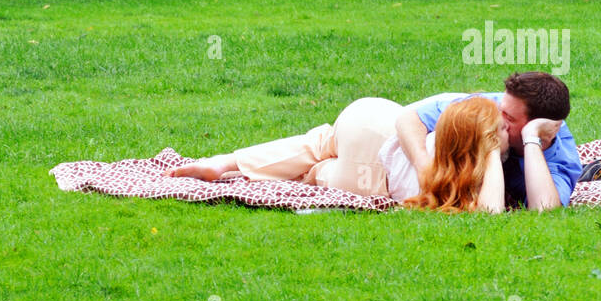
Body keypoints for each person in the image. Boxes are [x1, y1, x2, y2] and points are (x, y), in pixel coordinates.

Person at [161, 94, 506, 212]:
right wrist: (492, 152)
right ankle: (232, 168)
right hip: (368, 180)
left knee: (317, 143)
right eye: (501, 128)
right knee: (315, 173)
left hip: (370, 119)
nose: (508, 131)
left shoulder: (444, 142)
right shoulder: (467, 176)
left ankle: (225, 163)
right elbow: (490, 212)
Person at [395, 72, 581, 212]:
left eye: (508, 118)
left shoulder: (561, 160)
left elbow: (544, 209)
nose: (497, 118)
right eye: (501, 109)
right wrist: (423, 166)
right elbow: (408, 118)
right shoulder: (492, 107)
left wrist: (531, 138)